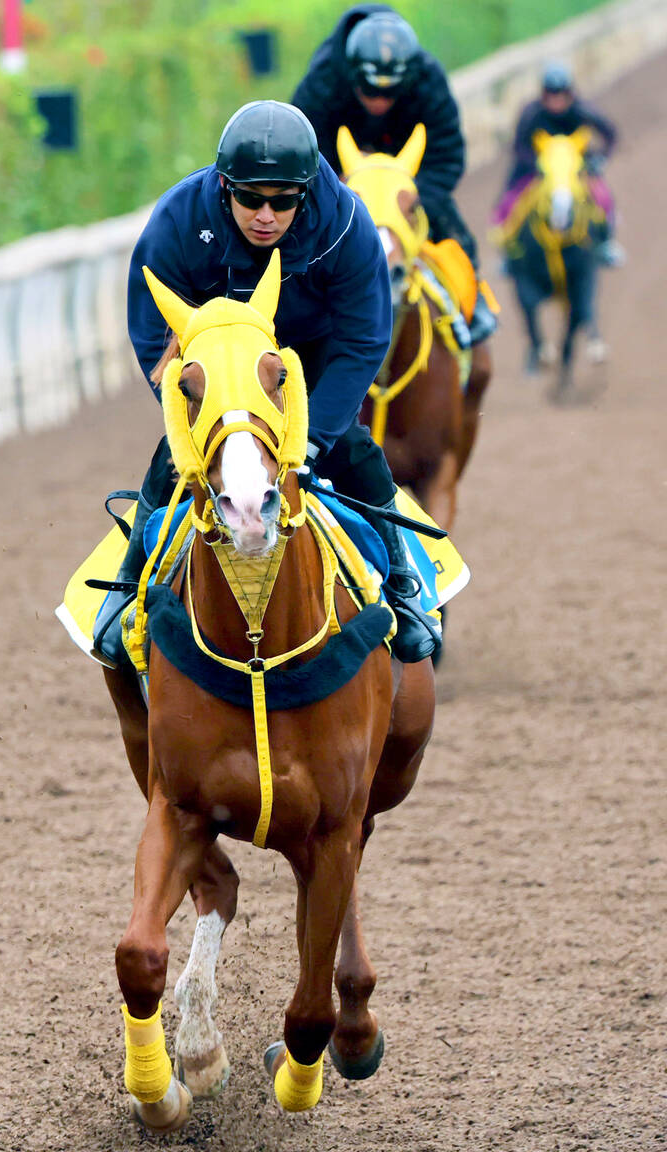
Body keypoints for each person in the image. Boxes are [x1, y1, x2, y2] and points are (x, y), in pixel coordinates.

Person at [109, 100, 439, 665]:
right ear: (223, 186)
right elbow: (153, 336)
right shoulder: (178, 222)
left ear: (305, 194)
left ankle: (403, 584)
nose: (266, 214)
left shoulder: (349, 224)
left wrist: (310, 438)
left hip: (303, 363)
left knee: (357, 451)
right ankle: (126, 591)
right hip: (214, 369)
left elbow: (363, 340)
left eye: (283, 201)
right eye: (250, 199)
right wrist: (197, 414)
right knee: (172, 457)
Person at [290, 4, 498, 344]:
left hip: (408, 183)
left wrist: (415, 194)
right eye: (370, 92)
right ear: (352, 76)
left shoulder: (428, 78)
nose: (380, 102)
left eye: (390, 94)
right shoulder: (324, 79)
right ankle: (287, 318)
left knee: (452, 230)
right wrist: (335, 190)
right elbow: (302, 148)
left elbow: (448, 154)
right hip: (343, 182)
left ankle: (473, 305)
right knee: (299, 232)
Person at [502, 60, 624, 266]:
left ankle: (606, 241)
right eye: (551, 95)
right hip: (539, 169)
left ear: (569, 94)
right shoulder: (532, 114)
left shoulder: (582, 111)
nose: (556, 101)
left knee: (603, 198)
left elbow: (610, 133)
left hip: (576, 169)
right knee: (510, 201)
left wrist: (599, 159)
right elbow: (519, 144)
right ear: (544, 95)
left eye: (561, 95)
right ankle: (509, 251)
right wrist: (534, 164)